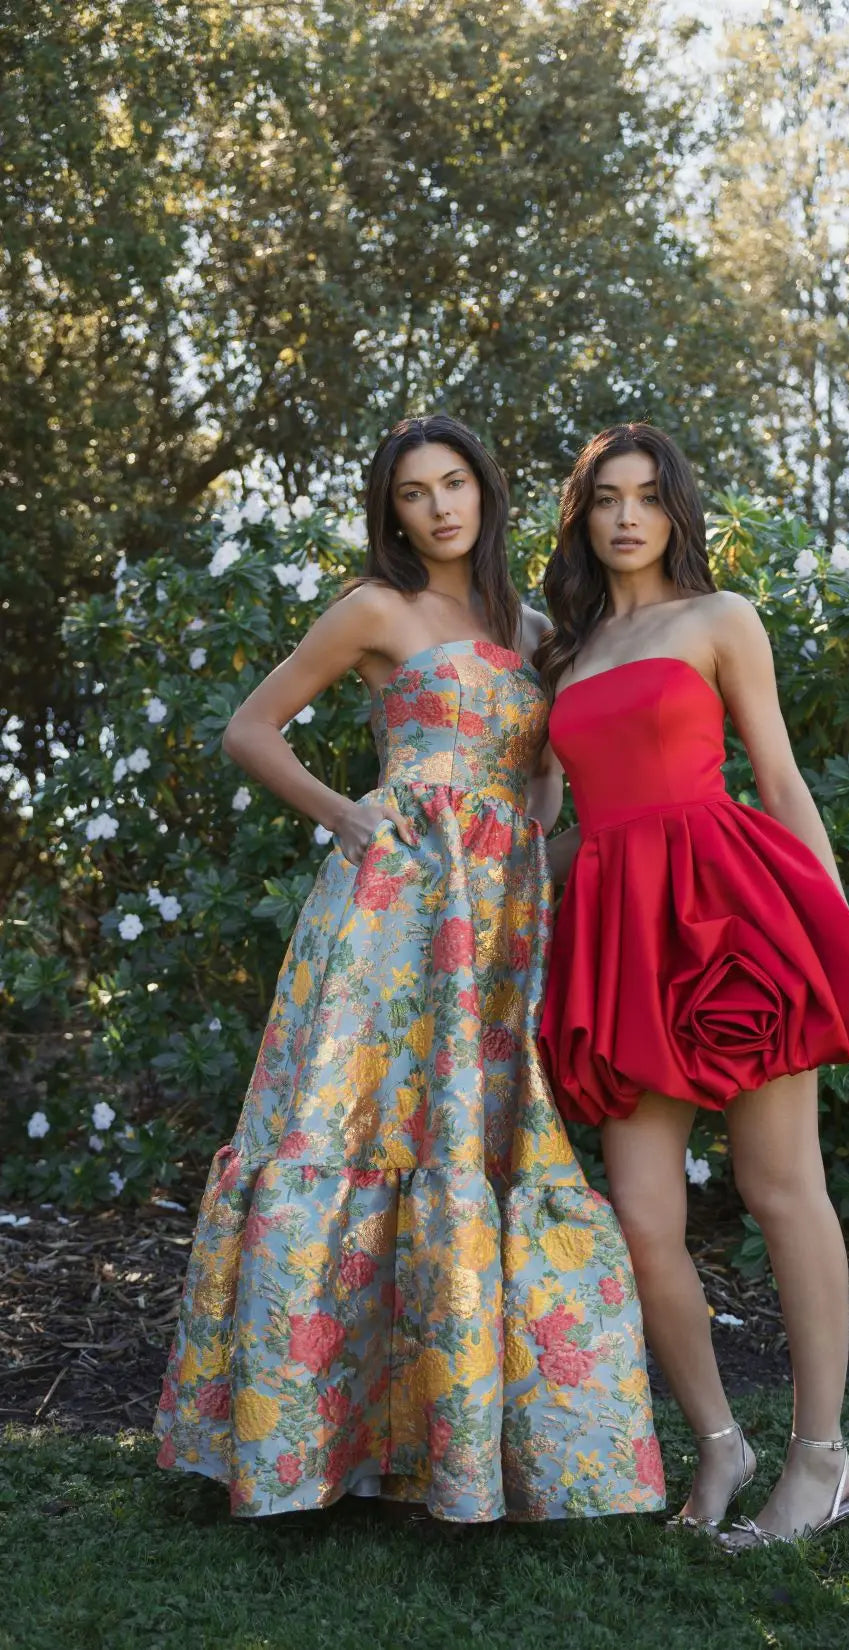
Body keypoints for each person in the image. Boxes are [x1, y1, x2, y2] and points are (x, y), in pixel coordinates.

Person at [154, 414, 664, 1525]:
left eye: (454, 484)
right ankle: (309, 1445)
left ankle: (458, 1446)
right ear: (392, 512)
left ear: (485, 493)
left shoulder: (533, 630)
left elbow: (542, 787)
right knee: (351, 1132)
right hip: (388, 917)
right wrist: (349, 820)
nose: (438, 507)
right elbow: (252, 729)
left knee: (470, 1147)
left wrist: (542, 860)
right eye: (414, 493)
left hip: (495, 927)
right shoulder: (374, 609)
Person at [535, 423, 849, 1551]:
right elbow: (556, 829)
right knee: (644, 1219)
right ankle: (718, 1441)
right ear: (584, 516)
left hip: (729, 914)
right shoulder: (563, 654)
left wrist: (845, 941)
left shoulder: (719, 619)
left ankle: (820, 1461)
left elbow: (780, 780)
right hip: (618, 937)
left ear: (675, 509)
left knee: (778, 1186)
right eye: (606, 498)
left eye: (647, 496)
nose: (627, 517)